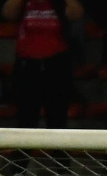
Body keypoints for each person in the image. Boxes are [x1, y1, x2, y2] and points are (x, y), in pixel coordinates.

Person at [5, 0, 83, 132]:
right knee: (26, 118)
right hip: (27, 62)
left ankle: (57, 151)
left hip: (57, 61)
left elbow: (76, 14)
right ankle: (25, 150)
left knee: (58, 118)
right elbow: (8, 13)